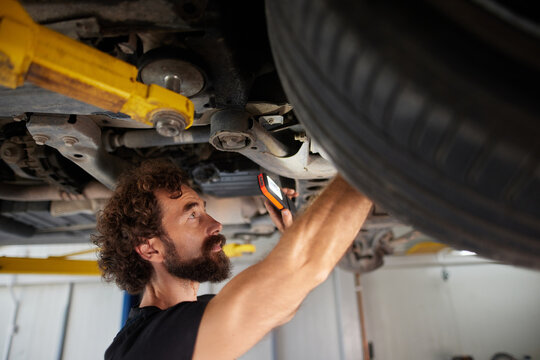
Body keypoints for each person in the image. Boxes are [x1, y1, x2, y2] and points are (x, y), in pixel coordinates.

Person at [93, 160, 372, 360]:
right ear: (150, 249)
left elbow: (280, 306)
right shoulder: (152, 347)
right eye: (192, 216)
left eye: (204, 210)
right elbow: (299, 270)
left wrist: (293, 241)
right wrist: (369, 158)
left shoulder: (180, 320)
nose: (216, 224)